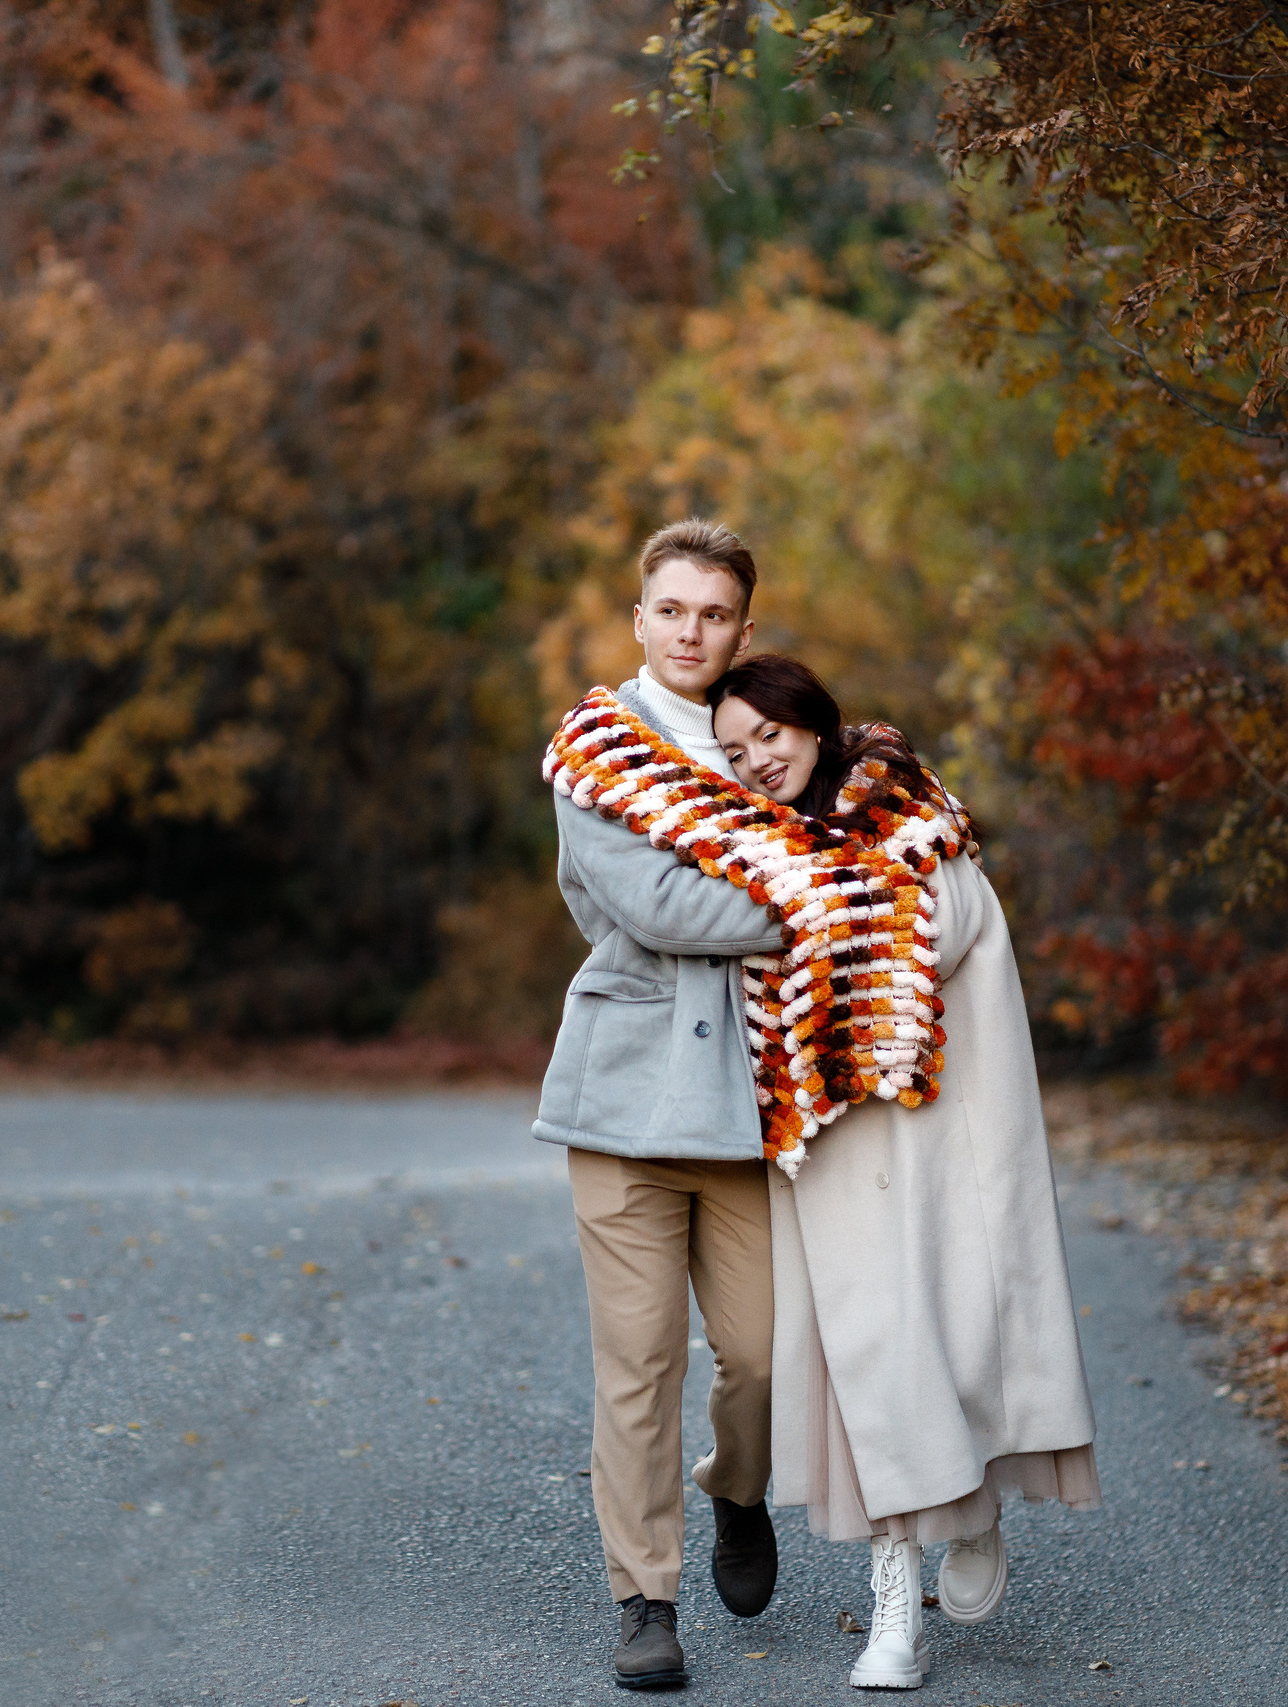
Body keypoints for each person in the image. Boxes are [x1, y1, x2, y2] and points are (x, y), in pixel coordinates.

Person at [709, 654, 1100, 1692]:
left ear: (813, 722)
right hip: (827, 1135)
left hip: (935, 1119)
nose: (757, 760)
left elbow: (961, 932)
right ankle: (895, 1609)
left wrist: (848, 943)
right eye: (735, 749)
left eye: (770, 736)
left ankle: (975, 1507)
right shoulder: (749, 847)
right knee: (871, 1355)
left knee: (965, 1335)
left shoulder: (910, 814)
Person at [533, 518, 787, 1691]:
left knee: (765, 1355)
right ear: (640, 619)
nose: (692, 632)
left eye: (715, 613)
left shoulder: (770, 741)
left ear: (742, 625)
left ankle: (738, 1492)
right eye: (671, 610)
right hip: (625, 1101)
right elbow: (660, 910)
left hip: (745, 1106)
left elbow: (860, 834)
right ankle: (646, 1597)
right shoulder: (597, 751)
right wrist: (816, 906)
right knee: (636, 1366)